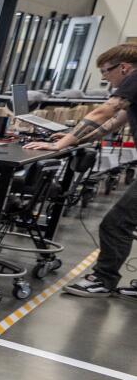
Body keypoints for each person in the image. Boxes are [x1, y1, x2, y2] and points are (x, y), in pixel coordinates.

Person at [27, 43, 137, 299]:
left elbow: (104, 112)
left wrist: (58, 144)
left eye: (106, 72)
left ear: (124, 68)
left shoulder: (134, 79)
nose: (105, 79)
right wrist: (71, 139)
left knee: (116, 224)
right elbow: (110, 124)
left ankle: (103, 280)